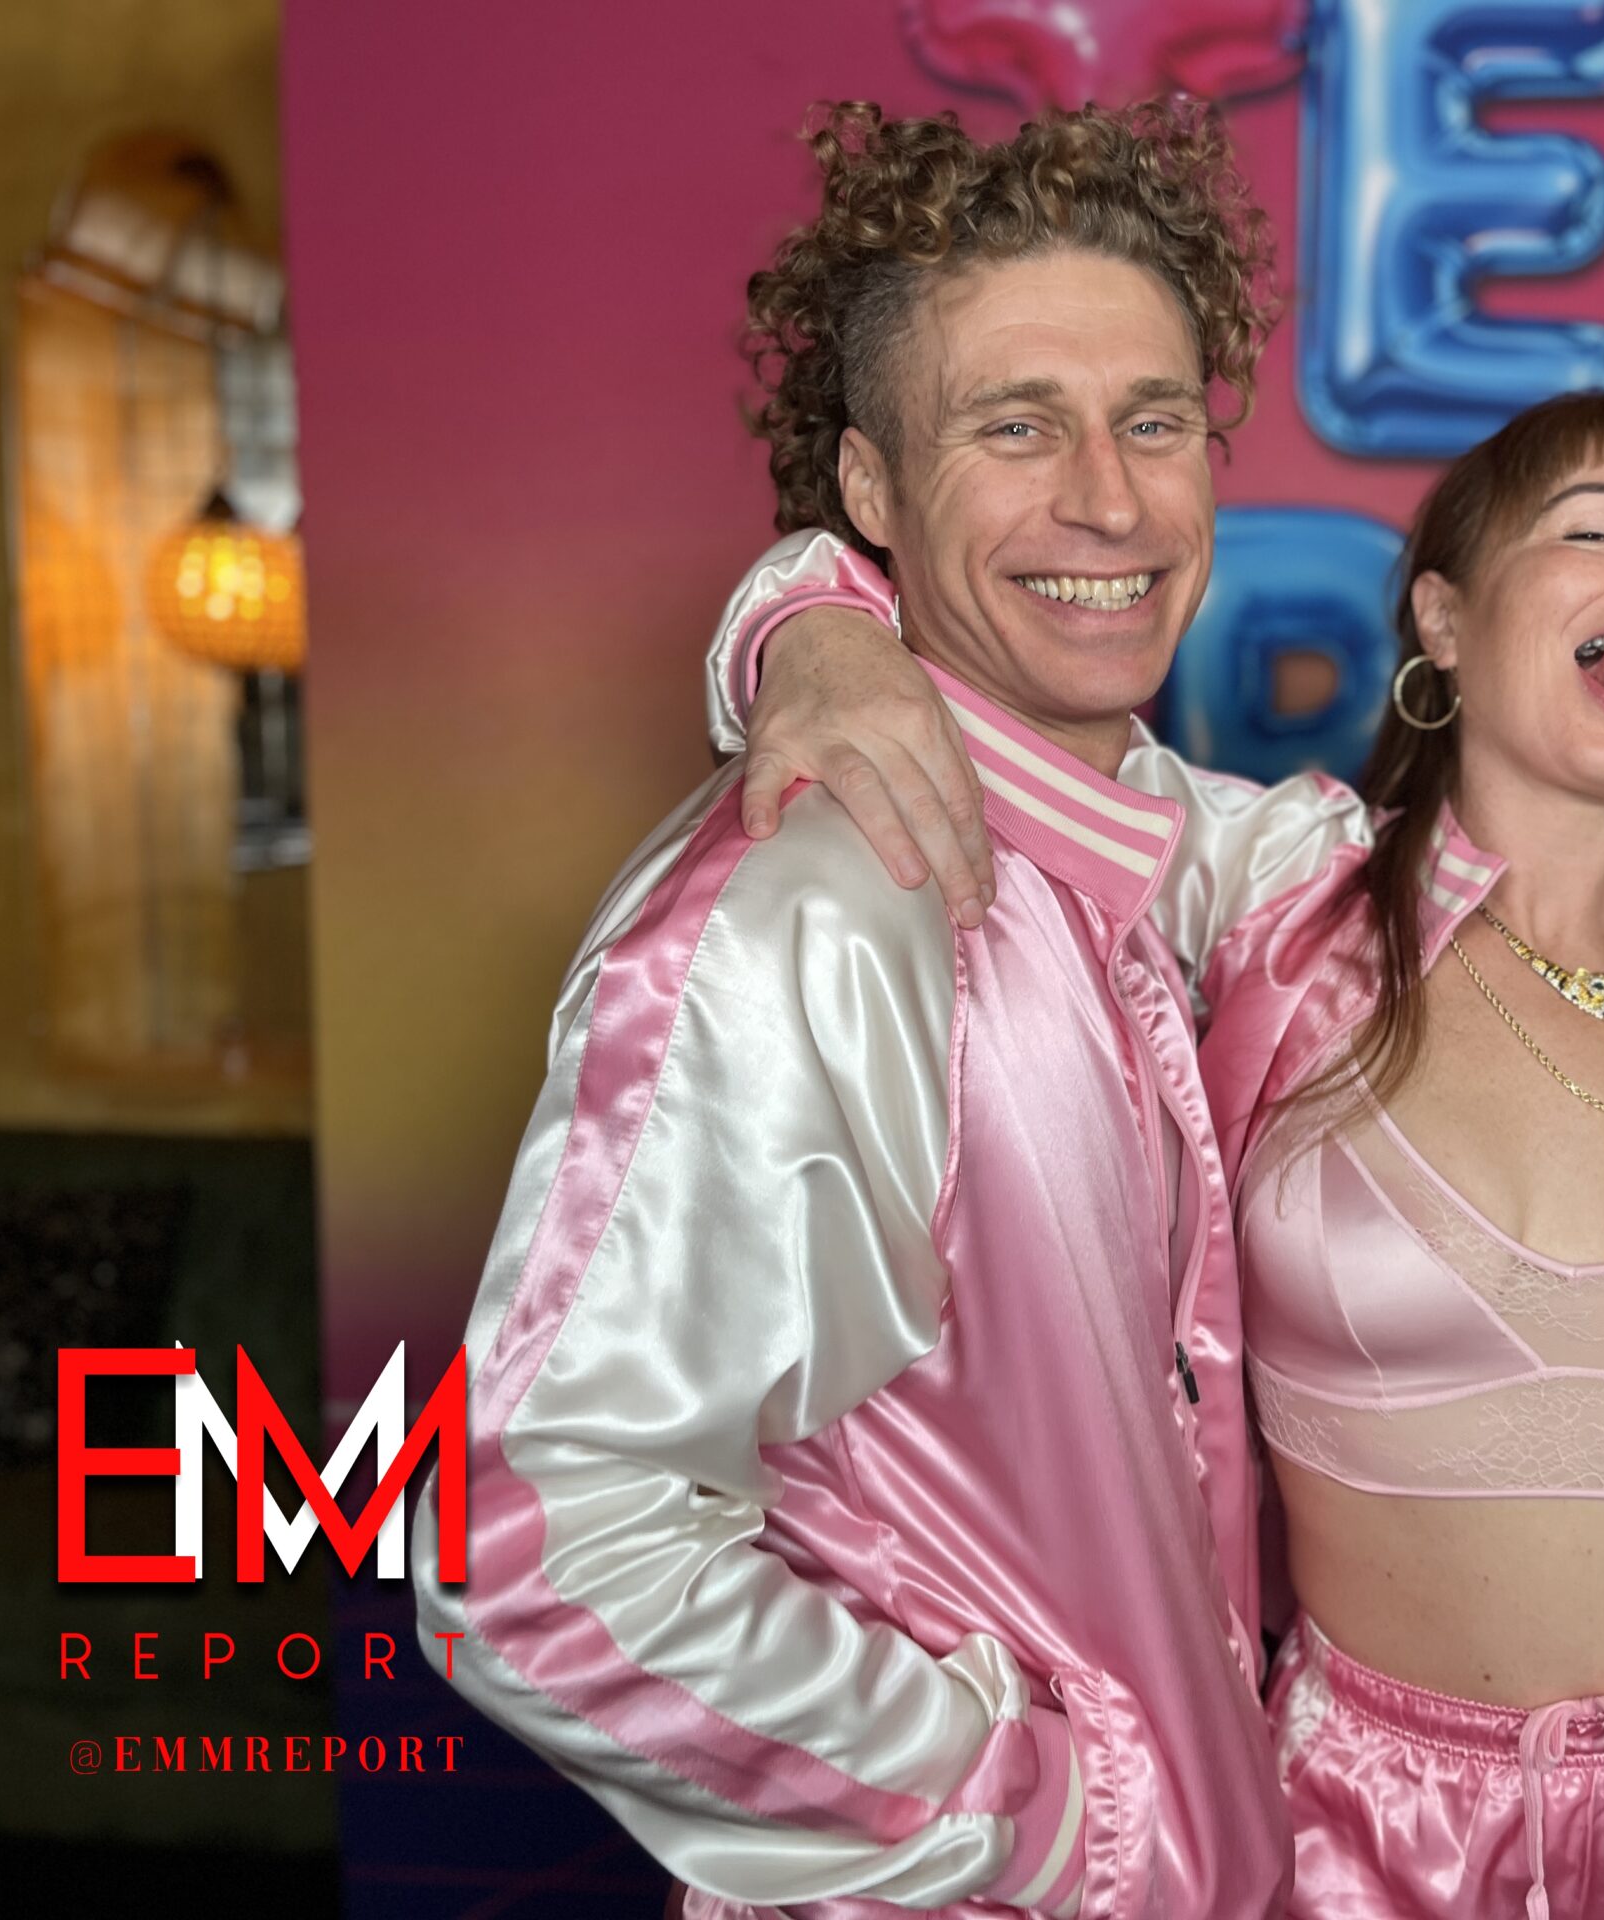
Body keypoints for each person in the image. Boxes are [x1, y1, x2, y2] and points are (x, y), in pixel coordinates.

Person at [721, 393, 1604, 1917]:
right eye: (1597, 531)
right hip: (1381, 1831)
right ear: (1445, 620)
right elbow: (974, 737)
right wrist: (807, 634)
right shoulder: (1270, 902)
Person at [409, 100, 1297, 1918]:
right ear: (874, 494)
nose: (1111, 499)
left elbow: (1318, 855)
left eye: (1154, 422)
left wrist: (795, 614)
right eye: (1016, 427)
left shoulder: (1131, 836)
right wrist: (1061, 1821)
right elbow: (528, 1549)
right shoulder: (808, 912)